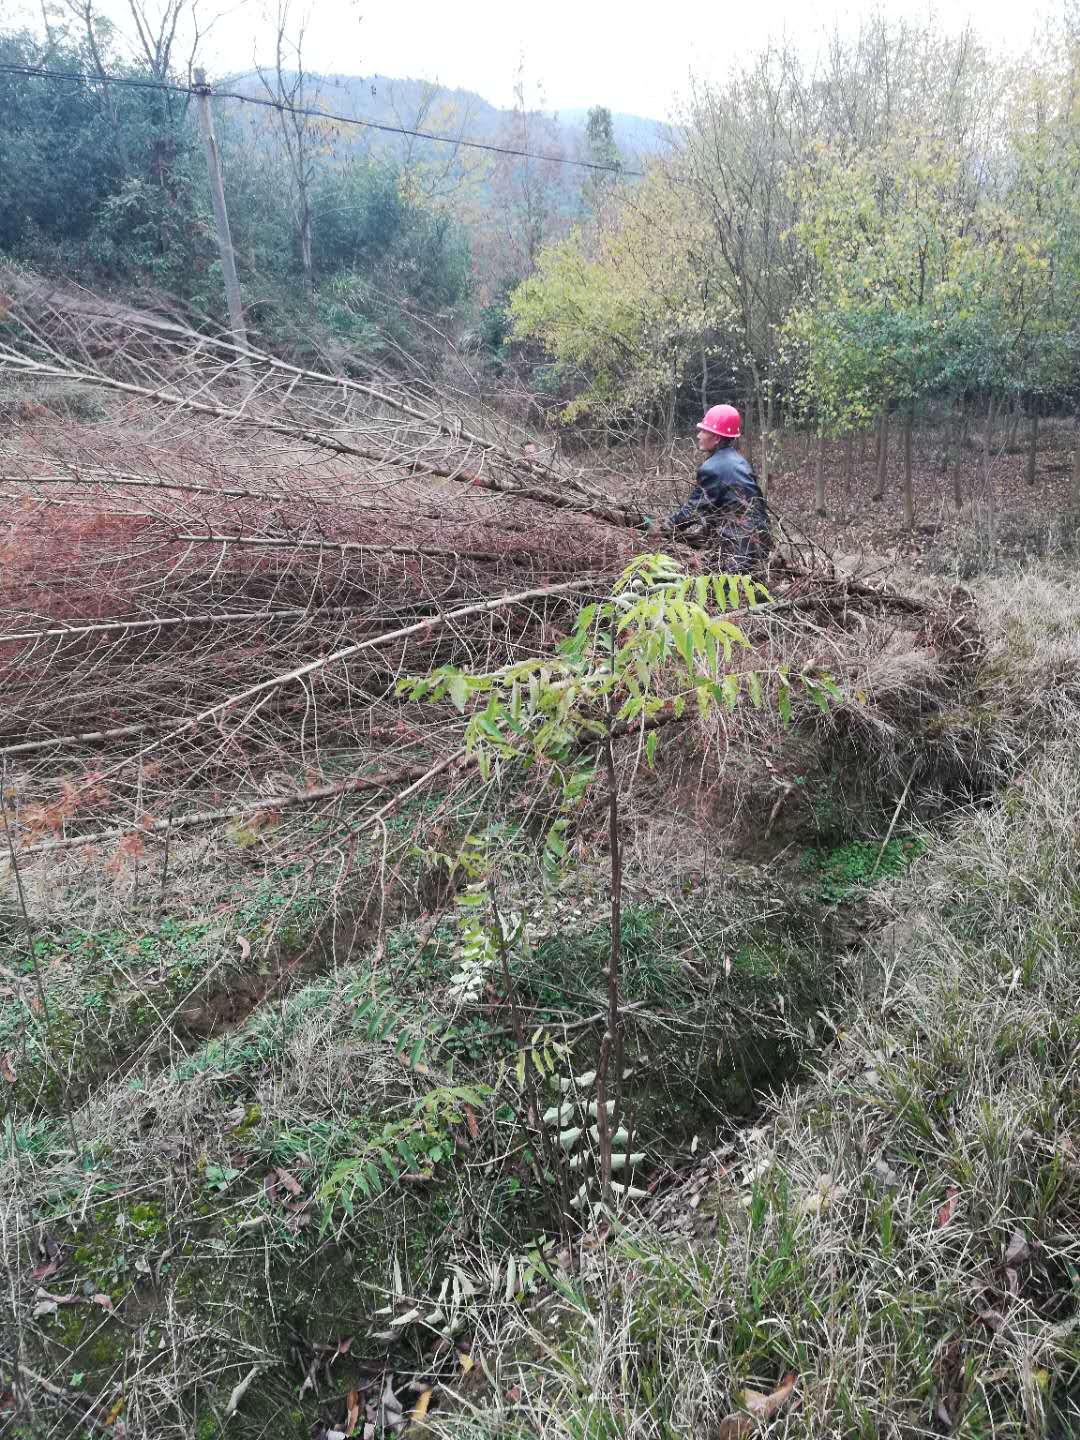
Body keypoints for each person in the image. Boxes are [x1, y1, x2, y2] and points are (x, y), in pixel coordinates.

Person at [654, 404, 771, 567]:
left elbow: (693, 511)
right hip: (759, 546)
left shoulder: (713, 468)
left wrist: (664, 526)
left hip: (738, 553)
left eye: (704, 431)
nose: (698, 435)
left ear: (716, 438)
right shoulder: (739, 462)